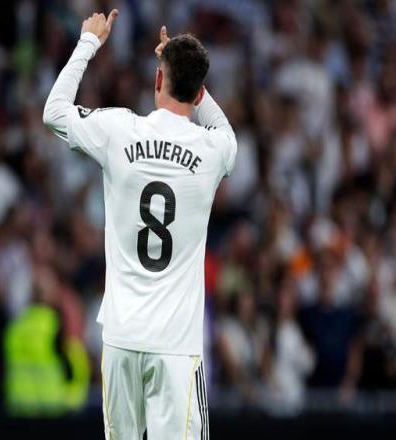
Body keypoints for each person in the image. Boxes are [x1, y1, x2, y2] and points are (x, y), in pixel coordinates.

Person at [43, 10, 237, 439]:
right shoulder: (213, 150)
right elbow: (225, 129)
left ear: (157, 79)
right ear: (199, 93)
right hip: (175, 346)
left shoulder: (119, 129)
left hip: (122, 337)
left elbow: (54, 112)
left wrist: (88, 42)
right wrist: (191, 81)